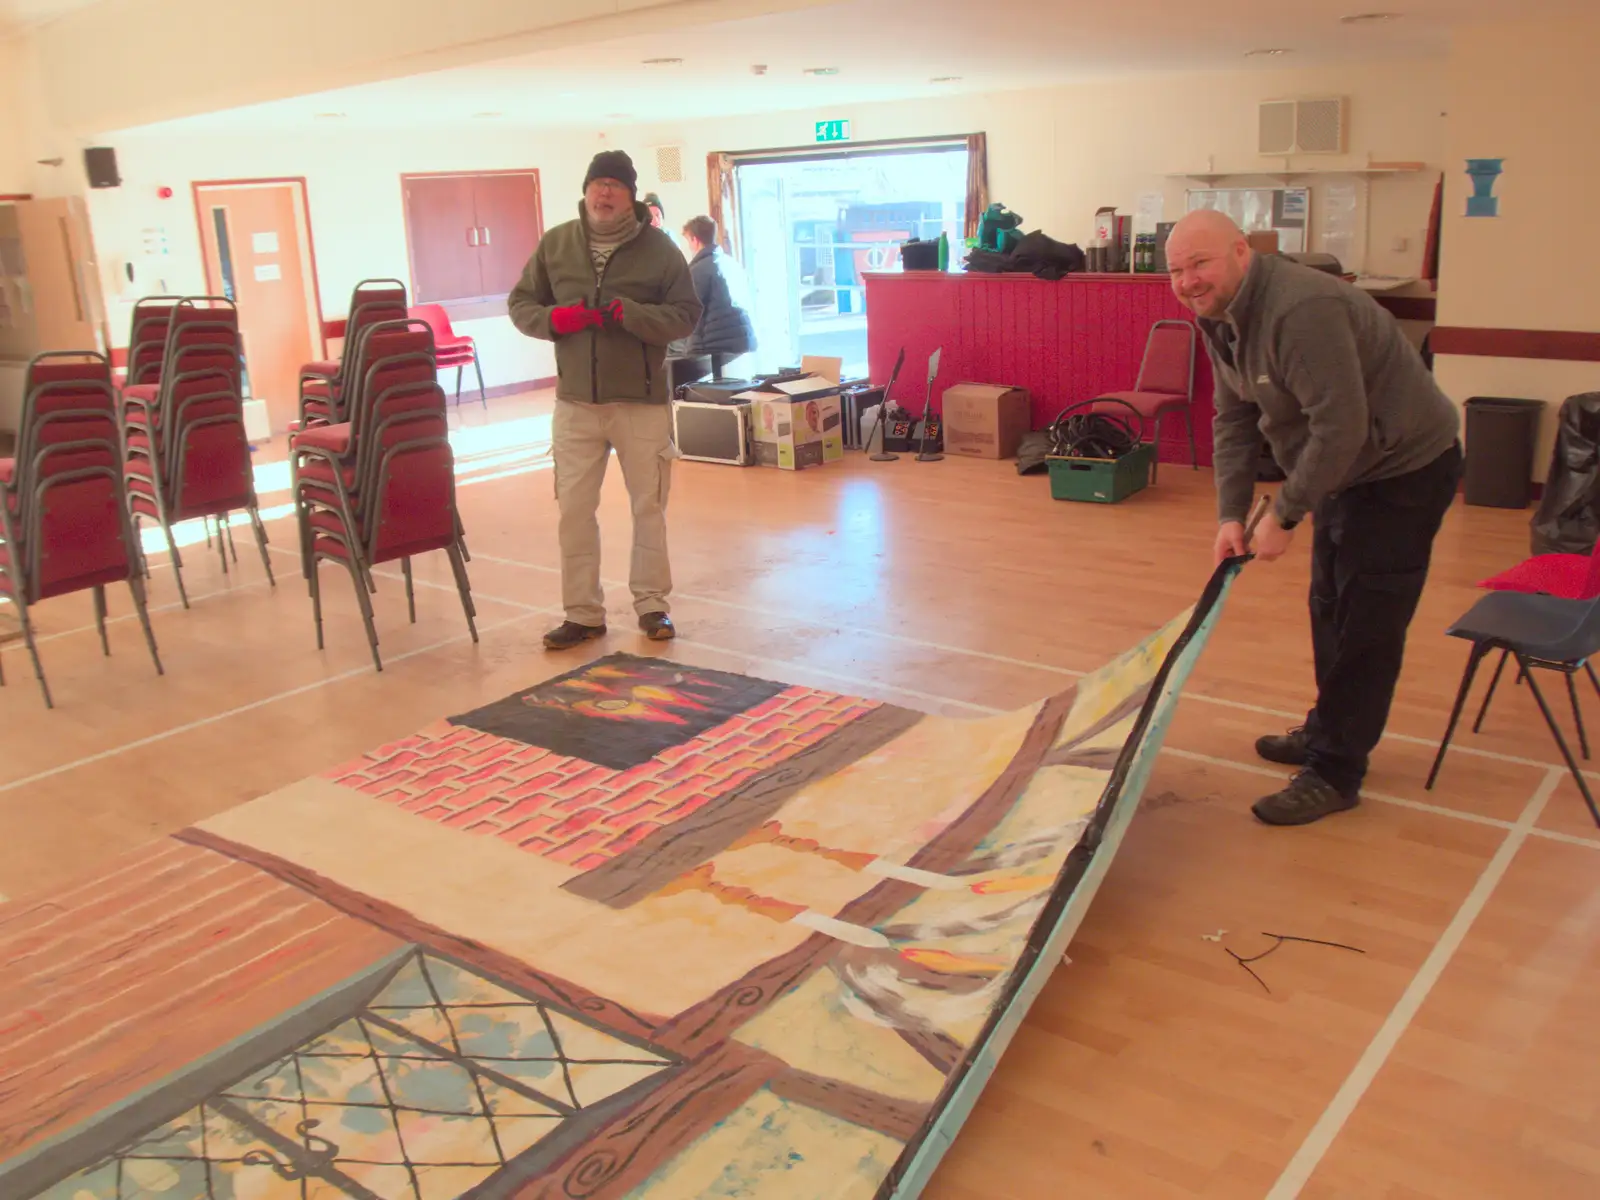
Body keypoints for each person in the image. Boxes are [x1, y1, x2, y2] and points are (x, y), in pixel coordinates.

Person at [1165, 209, 1462, 826]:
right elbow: (1234, 419)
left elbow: (1342, 426)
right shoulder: (1219, 317)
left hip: (1403, 468)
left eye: (1200, 263)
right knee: (1329, 604)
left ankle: (1336, 771)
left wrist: (1288, 514)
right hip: (1345, 468)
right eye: (1176, 270)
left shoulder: (1300, 311)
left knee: (1367, 622)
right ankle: (1331, 727)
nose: (1188, 281)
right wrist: (1231, 514)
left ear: (1241, 253)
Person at [508, 150, 702, 650]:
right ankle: (582, 614)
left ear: (631, 195)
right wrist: (557, 320)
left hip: (640, 405)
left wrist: (633, 314)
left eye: (616, 185)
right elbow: (521, 305)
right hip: (576, 406)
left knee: (648, 509)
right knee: (573, 510)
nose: (606, 193)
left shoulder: (660, 250)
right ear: (587, 191)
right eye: (599, 184)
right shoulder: (557, 244)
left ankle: (652, 605)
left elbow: (684, 316)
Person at [678, 215, 756, 369]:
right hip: (744, 342)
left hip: (714, 349)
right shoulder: (732, 264)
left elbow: (689, 311)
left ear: (695, 240)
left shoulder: (698, 270)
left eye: (688, 241)